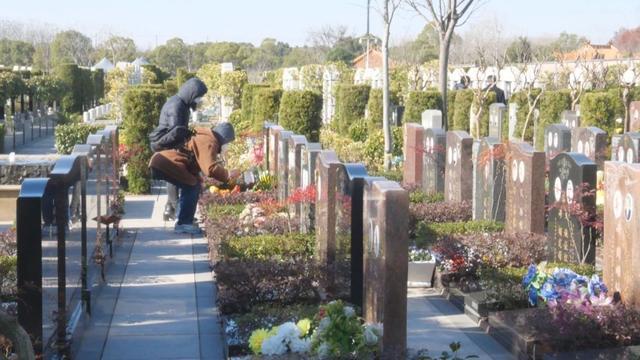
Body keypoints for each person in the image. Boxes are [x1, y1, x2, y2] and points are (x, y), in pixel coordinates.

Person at [149, 122, 241, 234]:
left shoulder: (204, 137)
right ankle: (184, 223)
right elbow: (210, 168)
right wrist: (228, 175)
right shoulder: (209, 141)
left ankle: (185, 218)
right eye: (228, 142)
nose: (227, 145)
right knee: (192, 186)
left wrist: (198, 177)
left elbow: (193, 161)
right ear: (224, 138)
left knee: (193, 184)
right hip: (166, 163)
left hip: (161, 161)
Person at [149, 77, 208, 221]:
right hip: (165, 144)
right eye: (198, 97)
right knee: (175, 174)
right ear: (191, 93)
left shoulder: (182, 104)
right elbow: (176, 131)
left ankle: (171, 209)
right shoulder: (177, 106)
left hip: (167, 142)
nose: (199, 100)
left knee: (175, 174)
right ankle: (177, 210)